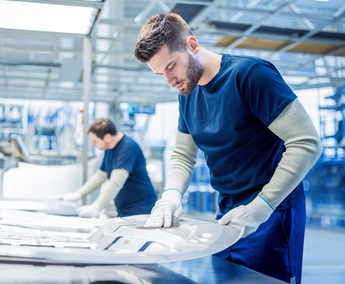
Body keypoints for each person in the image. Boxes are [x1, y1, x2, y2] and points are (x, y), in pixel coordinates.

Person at [134, 12, 322, 284]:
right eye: (160, 73)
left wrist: (262, 206)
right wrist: (171, 196)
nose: (169, 80)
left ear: (193, 45)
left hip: (273, 212)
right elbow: (183, 155)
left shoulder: (250, 76)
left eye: (171, 66)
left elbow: (306, 142)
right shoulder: (187, 96)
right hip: (227, 214)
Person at [56, 118, 157, 218]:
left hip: (140, 207)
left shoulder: (128, 148)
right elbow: (100, 176)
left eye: (95, 140)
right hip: (124, 207)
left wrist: (96, 207)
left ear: (107, 137)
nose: (93, 144)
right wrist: (78, 194)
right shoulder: (109, 148)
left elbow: (116, 182)